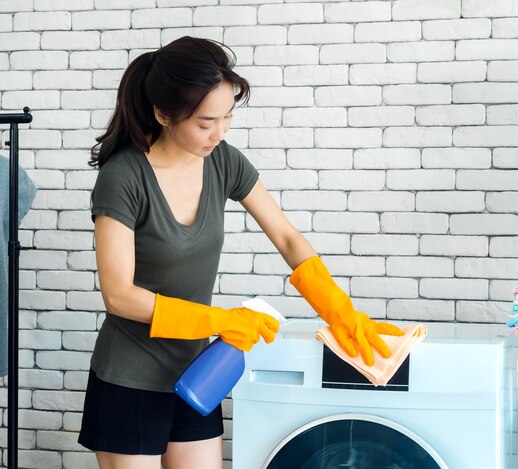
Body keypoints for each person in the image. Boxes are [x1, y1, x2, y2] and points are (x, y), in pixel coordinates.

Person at [78, 36, 404, 469]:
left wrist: (340, 311)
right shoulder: (124, 177)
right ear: (163, 113)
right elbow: (119, 295)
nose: (220, 132)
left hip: (198, 374)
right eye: (205, 122)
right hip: (130, 378)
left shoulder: (223, 161)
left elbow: (287, 239)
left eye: (228, 116)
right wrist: (222, 320)